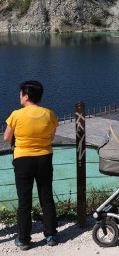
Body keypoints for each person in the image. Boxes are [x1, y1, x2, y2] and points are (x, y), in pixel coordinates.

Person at [3, 80, 59, 250]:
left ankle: (24, 239)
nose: (19, 96)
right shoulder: (49, 114)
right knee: (46, 196)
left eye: (21, 94)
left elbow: (6, 137)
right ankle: (51, 235)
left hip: (22, 159)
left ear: (26, 96)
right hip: (44, 157)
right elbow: (52, 135)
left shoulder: (16, 115)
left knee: (24, 199)